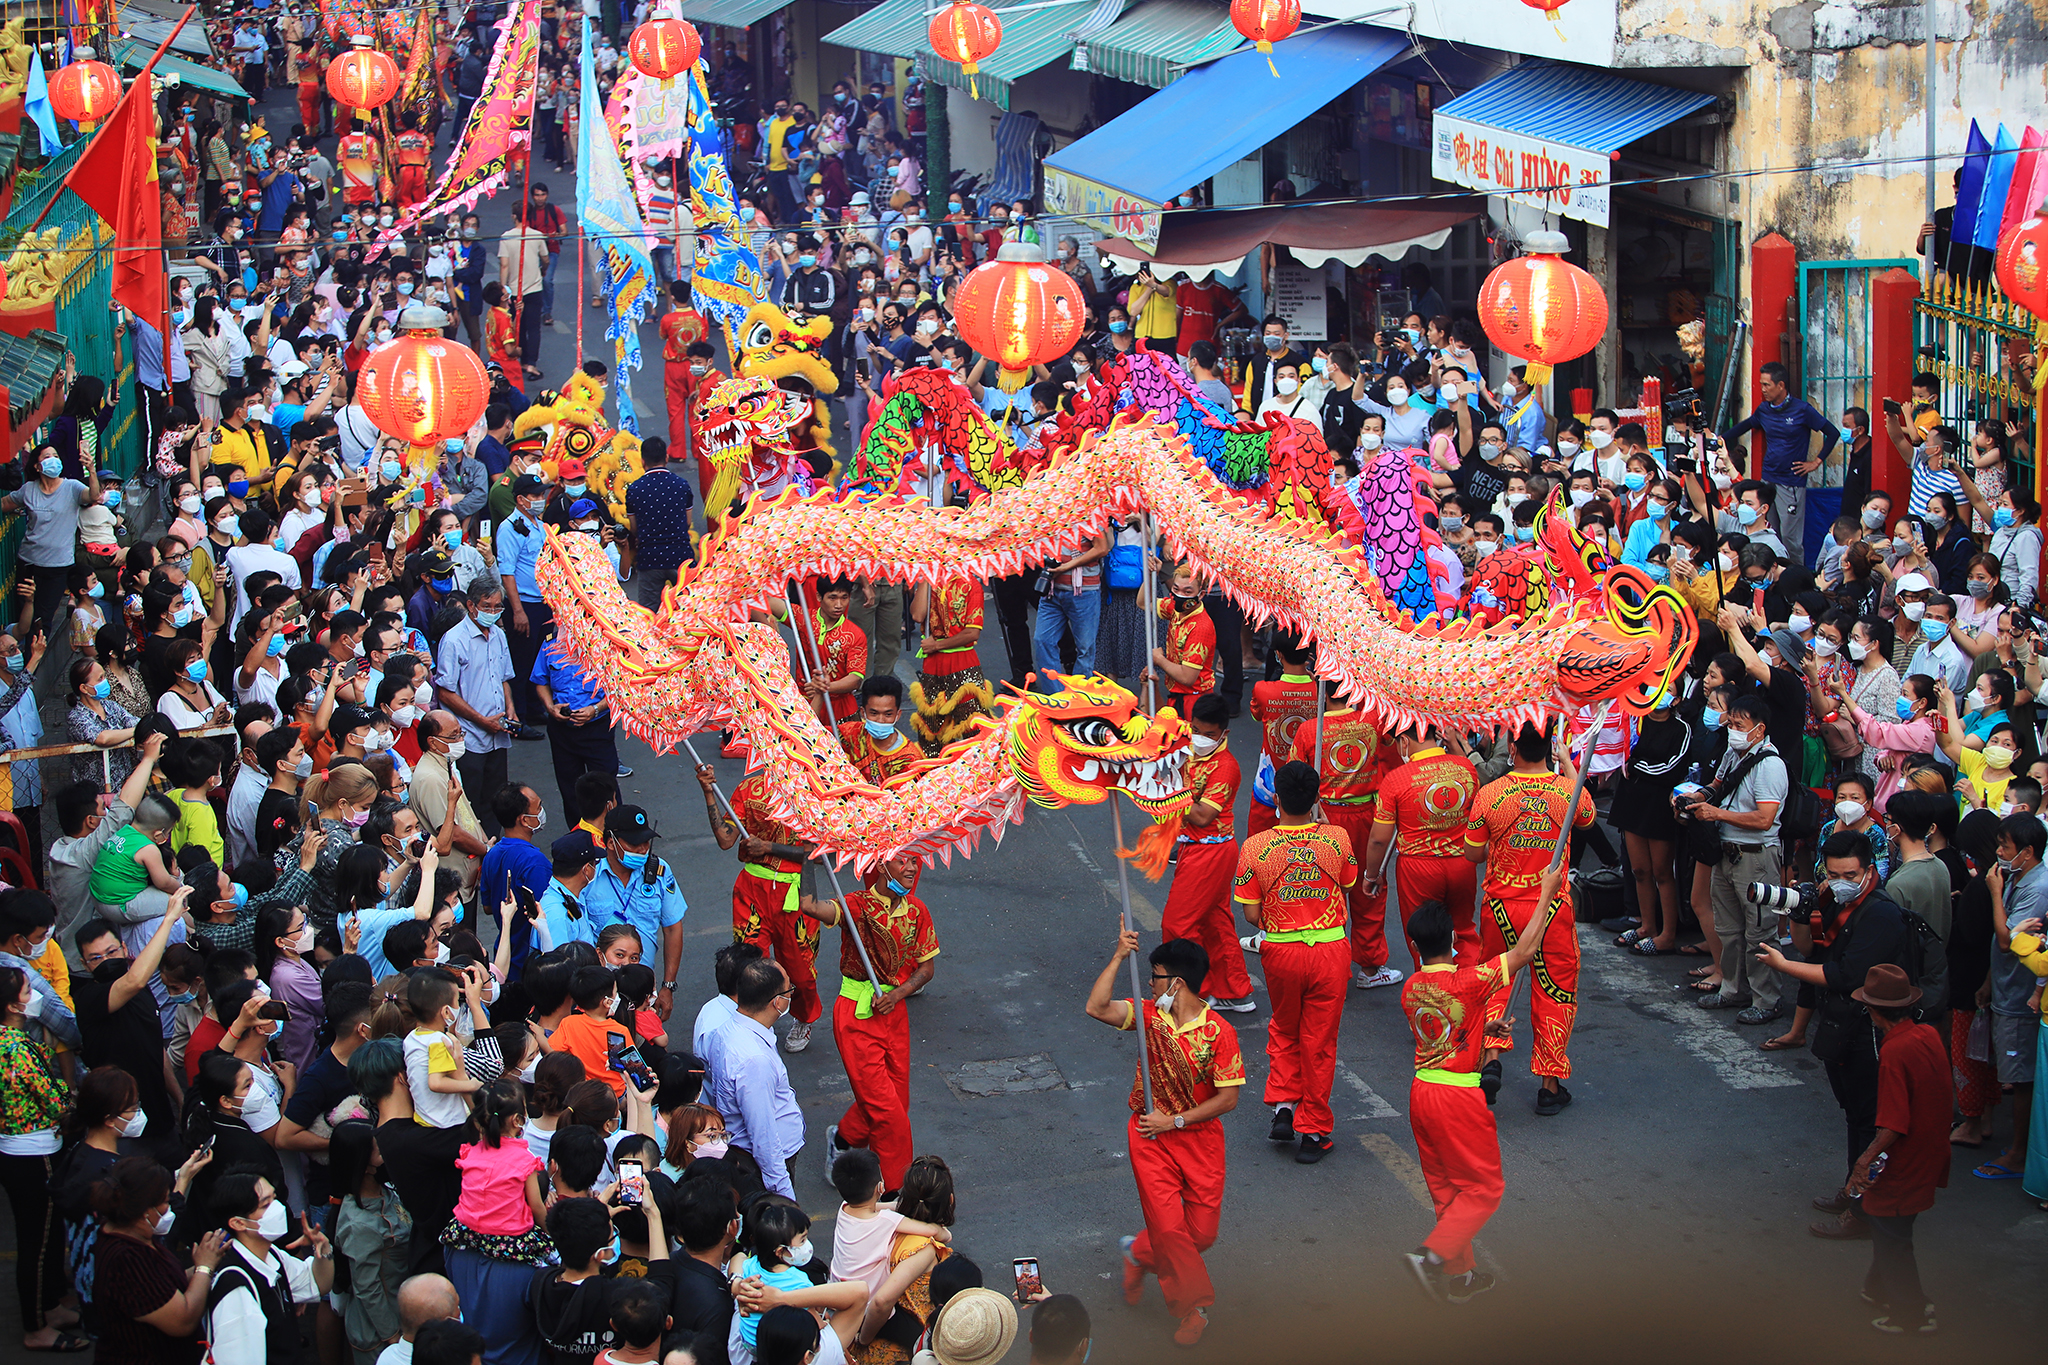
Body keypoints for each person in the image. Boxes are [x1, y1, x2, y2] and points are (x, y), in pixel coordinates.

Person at [1400, 863, 1564, 1303]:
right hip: (1457, 1095)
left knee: (1446, 1191)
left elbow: (1449, 1028)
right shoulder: (1468, 981)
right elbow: (1525, 949)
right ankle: (1431, 1257)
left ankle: (1460, 1278)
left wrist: (1486, 1028)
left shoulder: (1411, 987)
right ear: (1452, 941)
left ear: (1414, 947)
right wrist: (1546, 892)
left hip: (1422, 1092)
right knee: (1484, 1188)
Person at [1757, 832, 1919, 1237]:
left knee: (1870, 1118)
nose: (1841, 880)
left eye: (1850, 873)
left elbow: (1845, 976)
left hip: (1869, 1029)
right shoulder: (1836, 900)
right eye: (1833, 874)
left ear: (1869, 871)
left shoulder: (1880, 915)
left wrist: (1784, 966)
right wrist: (1800, 911)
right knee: (1854, 1113)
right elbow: (1811, 948)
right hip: (1840, 1024)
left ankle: (1866, 1212)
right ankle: (1853, 1190)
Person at [1083, 932, 1241, 1346]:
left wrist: (1177, 1121)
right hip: (1149, 1136)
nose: (1148, 984)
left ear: (1176, 984)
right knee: (1171, 1231)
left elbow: (1228, 1099)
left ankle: (1137, 1253)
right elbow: (1096, 1007)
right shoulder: (1149, 1016)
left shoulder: (1219, 1032)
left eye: (1154, 978)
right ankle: (1194, 1308)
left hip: (1198, 1139)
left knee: (1200, 1235)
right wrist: (1118, 955)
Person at [1462, 722, 1596, 1113]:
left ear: (1514, 748)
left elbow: (1473, 854)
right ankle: (1549, 1085)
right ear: (1548, 749)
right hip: (1551, 909)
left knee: (1496, 980)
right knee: (1555, 989)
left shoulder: (1490, 793)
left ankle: (1491, 1060)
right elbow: (1586, 818)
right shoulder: (1568, 794)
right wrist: (1568, 763)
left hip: (1501, 908)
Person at [1232, 760, 1356, 1162]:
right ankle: (1313, 1129)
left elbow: (1251, 916)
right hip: (1330, 952)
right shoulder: (1337, 838)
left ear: (1277, 799)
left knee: (1284, 1028)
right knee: (1318, 1042)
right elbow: (1351, 882)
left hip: (1281, 952)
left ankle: (1284, 1108)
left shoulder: (1254, 846)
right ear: (1317, 798)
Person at [798, 852, 938, 1191]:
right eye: (902, 862)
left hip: (894, 1014)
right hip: (856, 1017)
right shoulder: (855, 905)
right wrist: (805, 860)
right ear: (880, 866)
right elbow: (810, 906)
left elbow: (926, 968)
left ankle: (843, 1140)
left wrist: (898, 993)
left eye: (914, 862)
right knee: (890, 1116)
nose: (911, 868)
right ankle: (894, 1192)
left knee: (893, 1103)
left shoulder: (917, 910)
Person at [701, 766, 822, 1053]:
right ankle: (752, 1022)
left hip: (796, 892)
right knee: (747, 963)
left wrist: (768, 846)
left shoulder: (815, 790)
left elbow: (820, 854)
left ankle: (803, 1018)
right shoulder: (748, 788)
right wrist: (709, 793)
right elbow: (726, 839)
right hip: (752, 890)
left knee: (800, 970)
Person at [1287, 690, 1401, 989]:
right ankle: (1371, 965)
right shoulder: (1373, 719)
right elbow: (1394, 752)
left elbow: (1295, 775)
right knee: (1370, 884)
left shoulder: (1309, 730)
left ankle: (1325, 965)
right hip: (1367, 816)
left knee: (1323, 890)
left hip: (1323, 818)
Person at [1690, 695, 1792, 1026]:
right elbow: (1716, 786)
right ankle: (1734, 989)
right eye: (1730, 724)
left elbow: (1764, 819)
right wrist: (1694, 798)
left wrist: (1716, 813)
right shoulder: (1732, 755)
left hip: (1756, 857)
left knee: (1760, 931)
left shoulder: (1771, 766)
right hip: (1726, 851)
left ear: (1759, 730)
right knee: (1729, 928)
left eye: (1739, 726)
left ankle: (1767, 999)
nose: (1732, 731)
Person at [1155, 695, 1252, 1010]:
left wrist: (1168, 790)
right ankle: (1233, 990)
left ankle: (1192, 992)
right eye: (1195, 729)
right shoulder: (1187, 745)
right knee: (1215, 922)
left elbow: (1201, 816)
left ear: (1223, 733)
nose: (1200, 737)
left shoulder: (1227, 767)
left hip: (1209, 852)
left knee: (1176, 924)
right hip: (1196, 847)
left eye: (1208, 734)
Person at [89, 1155, 226, 1365]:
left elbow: (163, 1283)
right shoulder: (128, 1260)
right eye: (164, 1202)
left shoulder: (132, 1237)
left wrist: (205, 1265)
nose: (169, 1207)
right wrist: (205, 1267)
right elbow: (183, 1319)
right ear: (145, 1212)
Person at [1365, 724, 1482, 968]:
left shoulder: (1396, 779)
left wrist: (1372, 874)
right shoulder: (1466, 767)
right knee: (1464, 930)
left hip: (1419, 868)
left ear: (1405, 742)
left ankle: (1431, 996)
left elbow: (1378, 838)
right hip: (1462, 863)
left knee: (1423, 936)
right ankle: (1470, 990)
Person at [202, 1170, 336, 1365]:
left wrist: (323, 1249)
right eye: (265, 1205)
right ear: (238, 1223)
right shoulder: (237, 1287)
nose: (277, 1208)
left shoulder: (271, 1254)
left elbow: (317, 1283)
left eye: (274, 1198)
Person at [704, 958, 804, 1199]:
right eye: (789, 990)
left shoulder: (729, 1030)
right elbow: (764, 1135)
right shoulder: (754, 1060)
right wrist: (783, 1196)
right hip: (761, 1165)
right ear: (777, 1002)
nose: (791, 997)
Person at [582, 806, 688, 1020]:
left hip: (643, 993)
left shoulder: (659, 871)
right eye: (634, 843)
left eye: (646, 842)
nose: (642, 849)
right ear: (610, 843)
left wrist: (668, 986)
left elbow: (673, 928)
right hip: (600, 994)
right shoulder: (589, 876)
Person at [330, 1119, 414, 1365]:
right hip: (380, 1332)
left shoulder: (384, 1189)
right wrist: (393, 1337)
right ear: (363, 1164)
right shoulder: (359, 1224)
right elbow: (367, 1288)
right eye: (377, 1149)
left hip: (400, 1312)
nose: (384, 1151)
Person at [378, 1273, 462, 1365]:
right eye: (457, 1307)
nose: (459, 1311)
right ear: (447, 1323)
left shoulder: (386, 1357)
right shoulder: (458, 1360)